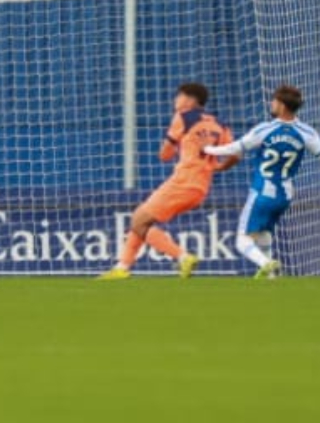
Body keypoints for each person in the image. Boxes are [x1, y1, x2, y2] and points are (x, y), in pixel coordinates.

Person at [97, 82, 234, 281]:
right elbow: (235, 154)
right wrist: (220, 166)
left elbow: (164, 155)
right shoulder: (220, 124)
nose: (175, 100)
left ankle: (182, 257)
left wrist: (173, 145)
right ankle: (122, 268)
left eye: (179, 96)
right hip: (201, 187)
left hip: (183, 181)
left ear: (190, 100)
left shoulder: (183, 117)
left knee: (137, 221)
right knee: (141, 220)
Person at [203, 84, 320, 278]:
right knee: (264, 234)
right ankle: (271, 278)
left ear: (282, 105)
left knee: (242, 240)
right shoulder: (307, 132)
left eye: (274, 100)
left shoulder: (266, 129)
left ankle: (267, 264)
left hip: (262, 192)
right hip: (285, 195)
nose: (271, 104)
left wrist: (208, 149)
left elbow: (236, 147)